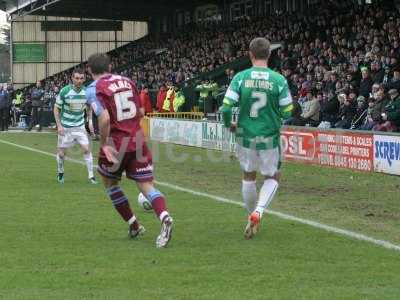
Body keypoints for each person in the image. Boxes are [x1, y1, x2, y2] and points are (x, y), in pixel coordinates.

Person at [86, 53, 173, 248]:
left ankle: (134, 224)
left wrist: (104, 144)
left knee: (110, 183)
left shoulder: (93, 89)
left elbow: (105, 118)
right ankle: (165, 217)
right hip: (137, 139)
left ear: (89, 70)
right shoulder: (127, 81)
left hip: (117, 142)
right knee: (146, 185)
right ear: (110, 67)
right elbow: (141, 112)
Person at [220, 37, 293, 239]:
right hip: (269, 135)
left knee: (248, 175)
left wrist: (230, 125)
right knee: (273, 176)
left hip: (244, 135)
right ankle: (259, 211)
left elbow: (225, 107)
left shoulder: (240, 78)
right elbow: (288, 111)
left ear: (250, 55)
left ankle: (251, 216)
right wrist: (275, 113)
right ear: (269, 54)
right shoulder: (279, 80)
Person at [53, 69, 97, 184]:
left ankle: (91, 176)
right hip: (65, 127)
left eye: (81, 78)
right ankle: (60, 172)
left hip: (80, 126)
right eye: (76, 78)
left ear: (84, 79)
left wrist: (90, 122)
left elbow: (89, 107)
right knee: (62, 154)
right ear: (72, 78)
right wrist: (59, 126)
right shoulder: (64, 91)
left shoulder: (86, 92)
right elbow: (56, 108)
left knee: (87, 150)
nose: (79, 80)